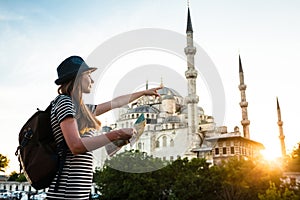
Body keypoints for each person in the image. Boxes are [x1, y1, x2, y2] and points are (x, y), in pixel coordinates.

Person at [46, 55, 161, 199]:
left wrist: (143, 93)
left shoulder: (82, 109)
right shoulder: (64, 102)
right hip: (65, 193)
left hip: (77, 193)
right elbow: (75, 146)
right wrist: (116, 134)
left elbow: (115, 102)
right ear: (77, 78)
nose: (92, 80)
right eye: (88, 75)